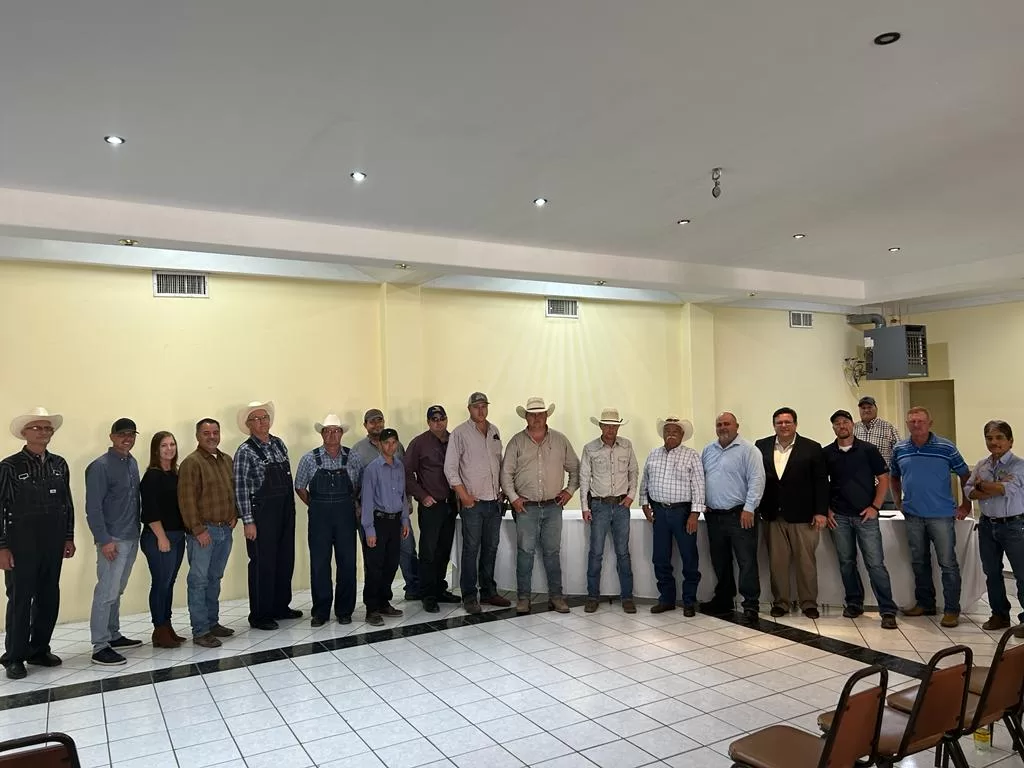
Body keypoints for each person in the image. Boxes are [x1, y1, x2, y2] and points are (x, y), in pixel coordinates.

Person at [0, 408, 75, 681]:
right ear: (24, 433)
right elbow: (1, 508)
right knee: (20, 600)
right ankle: (14, 657)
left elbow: (67, 504)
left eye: (47, 428)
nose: (43, 432)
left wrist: (68, 536)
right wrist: (2, 547)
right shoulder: (9, 467)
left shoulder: (59, 464)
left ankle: (39, 649)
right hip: (21, 544)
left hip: (52, 542)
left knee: (48, 597)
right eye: (37, 428)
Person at [890, 406, 971, 628]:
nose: (916, 425)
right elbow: (894, 477)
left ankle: (952, 610)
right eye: (912, 421)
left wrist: (966, 504)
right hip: (913, 515)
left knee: (948, 563)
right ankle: (925, 604)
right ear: (907, 424)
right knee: (919, 562)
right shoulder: (900, 448)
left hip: (941, 515)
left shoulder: (946, 447)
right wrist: (898, 502)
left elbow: (965, 475)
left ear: (930, 423)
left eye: (920, 421)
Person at [501, 397, 580, 615]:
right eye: (532, 414)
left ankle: (556, 597)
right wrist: (514, 498)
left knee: (552, 552)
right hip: (525, 507)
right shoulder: (517, 442)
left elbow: (575, 469)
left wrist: (569, 491)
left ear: (546, 416)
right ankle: (523, 598)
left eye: (540, 414)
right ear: (526, 417)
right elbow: (505, 474)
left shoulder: (560, 440)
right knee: (525, 553)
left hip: (553, 507)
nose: (536, 418)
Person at [823, 410, 898, 629]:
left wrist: (875, 506)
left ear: (852, 425)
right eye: (837, 423)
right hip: (839, 517)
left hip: (866, 516)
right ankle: (854, 603)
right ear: (833, 427)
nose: (842, 426)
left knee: (875, 563)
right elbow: (822, 483)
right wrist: (827, 509)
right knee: (846, 562)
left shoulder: (868, 450)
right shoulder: (826, 453)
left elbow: (883, 479)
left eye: (845, 422)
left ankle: (887, 610)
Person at [234, 400, 302, 631]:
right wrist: (248, 521)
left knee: (285, 560)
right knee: (263, 564)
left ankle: (280, 606)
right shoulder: (245, 451)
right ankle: (260, 614)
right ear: (248, 424)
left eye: (265, 418)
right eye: (256, 419)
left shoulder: (279, 444)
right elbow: (240, 488)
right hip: (262, 515)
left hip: (284, 511)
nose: (262, 422)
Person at [755, 407, 828, 619]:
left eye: (788, 422)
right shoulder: (761, 446)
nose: (784, 426)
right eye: (779, 422)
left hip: (803, 516)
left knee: (806, 563)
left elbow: (821, 482)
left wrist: (821, 511)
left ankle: (809, 603)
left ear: (795, 424)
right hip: (772, 515)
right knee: (777, 563)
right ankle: (781, 602)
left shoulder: (812, 447)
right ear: (774, 425)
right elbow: (756, 478)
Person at [444, 392, 510, 615]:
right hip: (473, 503)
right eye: (476, 407)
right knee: (471, 549)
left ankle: (489, 591)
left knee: (491, 548)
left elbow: (499, 463)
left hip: (494, 502)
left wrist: (503, 490)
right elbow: (450, 468)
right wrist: (464, 496)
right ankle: (470, 595)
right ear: (469, 409)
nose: (481, 410)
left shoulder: (494, 431)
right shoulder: (460, 433)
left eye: (484, 406)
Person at [85, 417, 144, 666]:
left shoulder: (132, 462)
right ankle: (100, 646)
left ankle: (113, 634)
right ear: (112, 437)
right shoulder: (99, 467)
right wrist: (104, 540)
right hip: (113, 540)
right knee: (106, 592)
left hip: (131, 535)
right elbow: (93, 508)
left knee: (117, 589)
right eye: (122, 434)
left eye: (131, 434)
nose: (127, 438)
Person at [294, 414, 362, 627]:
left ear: (341, 433)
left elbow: (359, 486)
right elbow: (299, 486)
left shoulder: (353, 457)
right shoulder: (308, 458)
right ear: (322, 434)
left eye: (336, 430)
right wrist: (315, 505)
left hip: (345, 517)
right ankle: (320, 612)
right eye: (328, 431)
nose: (332, 434)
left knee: (347, 563)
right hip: (319, 519)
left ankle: (344, 610)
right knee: (319, 564)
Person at [699, 412, 765, 621]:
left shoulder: (749, 450)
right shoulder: (708, 450)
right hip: (714, 516)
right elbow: (701, 479)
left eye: (727, 424)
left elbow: (757, 480)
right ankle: (724, 599)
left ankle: (750, 604)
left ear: (737, 426)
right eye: (719, 424)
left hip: (740, 515)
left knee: (746, 561)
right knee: (720, 561)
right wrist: (702, 502)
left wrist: (749, 508)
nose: (723, 427)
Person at [178, 418, 237, 648]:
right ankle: (201, 630)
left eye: (215, 432)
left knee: (214, 578)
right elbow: (186, 500)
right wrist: (198, 529)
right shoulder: (191, 463)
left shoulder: (226, 460)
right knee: (198, 582)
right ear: (198, 436)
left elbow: (233, 490)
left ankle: (213, 623)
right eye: (206, 433)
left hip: (225, 530)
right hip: (204, 532)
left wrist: (234, 514)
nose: (212, 436)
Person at [351, 409, 421, 600]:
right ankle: (374, 601)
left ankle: (413, 588)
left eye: (379, 420)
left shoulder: (398, 449)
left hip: (397, 514)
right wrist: (359, 510)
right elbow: (354, 482)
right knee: (374, 559)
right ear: (365, 425)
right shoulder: (358, 450)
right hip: (372, 514)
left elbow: (404, 478)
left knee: (405, 551)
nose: (376, 424)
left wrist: (407, 505)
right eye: (372, 421)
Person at [640, 417, 705, 616]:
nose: (670, 434)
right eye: (667, 431)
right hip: (659, 512)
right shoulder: (653, 454)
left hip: (682, 513)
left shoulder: (691, 455)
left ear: (682, 435)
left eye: (675, 431)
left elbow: (699, 486)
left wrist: (694, 514)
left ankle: (689, 601)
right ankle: (666, 599)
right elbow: (645, 482)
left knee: (689, 557)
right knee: (660, 558)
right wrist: (644, 504)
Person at [967, 420, 1024, 637]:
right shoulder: (982, 465)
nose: (994, 442)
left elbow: (1004, 490)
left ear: (1010, 441)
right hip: (987, 526)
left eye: (999, 437)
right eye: (989, 438)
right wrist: (989, 487)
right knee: (991, 572)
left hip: (1013, 526)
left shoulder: (1019, 466)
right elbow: (968, 491)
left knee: (1022, 573)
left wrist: (981, 485)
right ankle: (999, 615)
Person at [579, 408, 638, 614]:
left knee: (623, 553)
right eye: (607, 426)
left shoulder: (627, 446)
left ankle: (627, 597)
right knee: (596, 553)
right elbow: (584, 478)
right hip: (599, 505)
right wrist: (585, 507)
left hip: (621, 506)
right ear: (601, 426)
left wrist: (631, 495)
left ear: (618, 427)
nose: (611, 429)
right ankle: (592, 597)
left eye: (614, 426)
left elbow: (633, 472)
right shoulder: (590, 448)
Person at [405, 405, 461, 613]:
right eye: (434, 419)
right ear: (428, 422)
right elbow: (406, 473)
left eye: (442, 418)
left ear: (447, 419)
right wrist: (422, 496)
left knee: (444, 550)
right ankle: (427, 594)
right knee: (428, 551)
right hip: (431, 505)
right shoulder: (419, 443)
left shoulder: (455, 440)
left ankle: (439, 589)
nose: (439, 422)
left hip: (451, 504)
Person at [140, 431, 187, 648]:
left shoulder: (175, 474)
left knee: (169, 582)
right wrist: (161, 537)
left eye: (172, 444)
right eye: (164, 445)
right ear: (156, 450)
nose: (169, 449)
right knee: (160, 583)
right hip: (158, 537)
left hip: (177, 535)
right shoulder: (152, 476)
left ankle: (167, 626)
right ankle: (159, 629)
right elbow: (150, 510)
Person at [360, 428, 410, 626]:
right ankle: (371, 608)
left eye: (394, 442)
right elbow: (367, 501)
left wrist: (405, 520)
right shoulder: (372, 469)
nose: (391, 446)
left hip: (395, 521)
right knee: (375, 566)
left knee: (391, 564)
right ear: (380, 445)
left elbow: (403, 495)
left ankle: (383, 602)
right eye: (387, 442)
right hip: (378, 521)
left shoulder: (399, 466)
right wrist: (369, 529)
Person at [854, 396, 901, 509]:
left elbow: (899, 452)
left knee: (887, 514)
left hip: (884, 482)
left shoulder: (888, 427)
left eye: (869, 407)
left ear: (876, 408)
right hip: (860, 484)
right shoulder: (854, 428)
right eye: (863, 408)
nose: (866, 410)